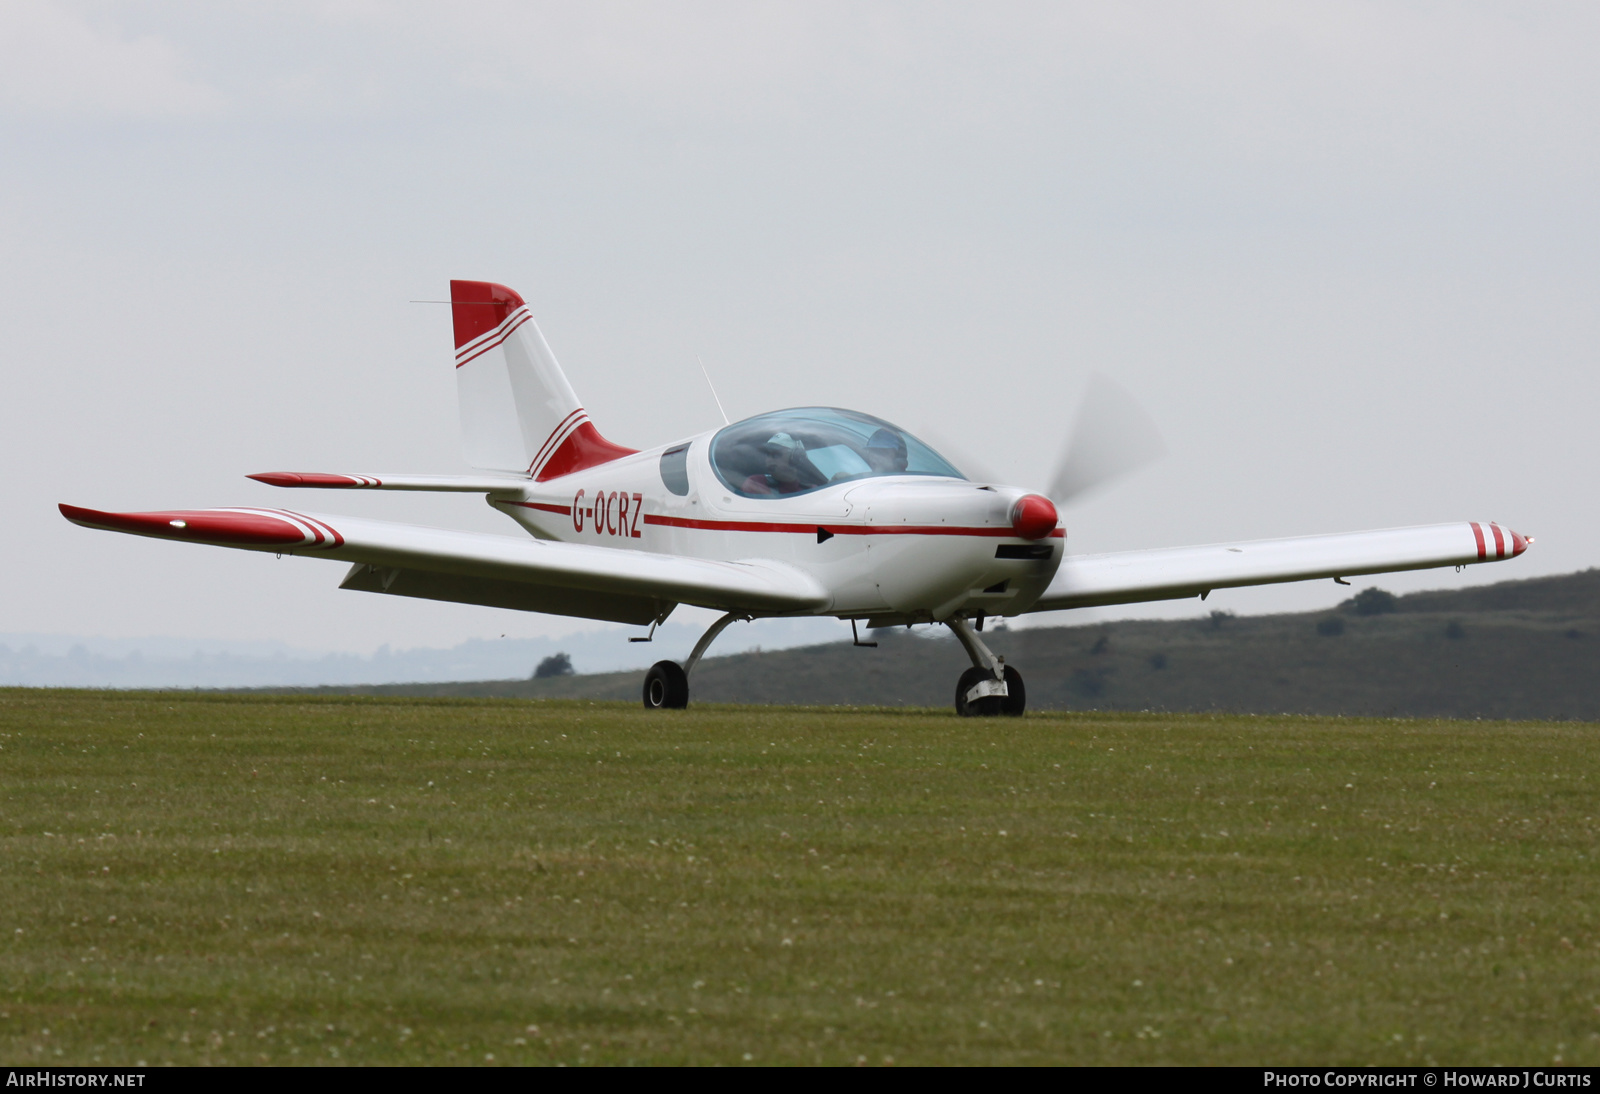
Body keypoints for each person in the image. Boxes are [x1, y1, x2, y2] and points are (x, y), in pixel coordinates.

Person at [742, 432, 814, 495]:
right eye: (767, 454)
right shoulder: (756, 483)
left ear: (796, 458)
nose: (769, 460)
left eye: (775, 455)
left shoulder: (811, 490)